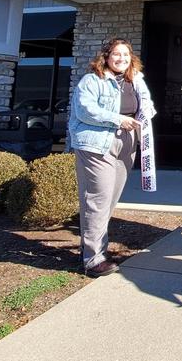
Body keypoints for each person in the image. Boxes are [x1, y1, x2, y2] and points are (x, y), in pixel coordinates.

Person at [67, 37, 156, 278]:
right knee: (98, 198)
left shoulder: (135, 79)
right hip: (97, 144)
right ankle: (93, 258)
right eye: (116, 54)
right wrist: (119, 119)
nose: (121, 59)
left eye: (126, 55)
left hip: (126, 144)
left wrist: (146, 113)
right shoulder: (92, 80)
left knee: (110, 199)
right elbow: (86, 110)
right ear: (106, 56)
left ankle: (94, 249)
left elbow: (146, 102)